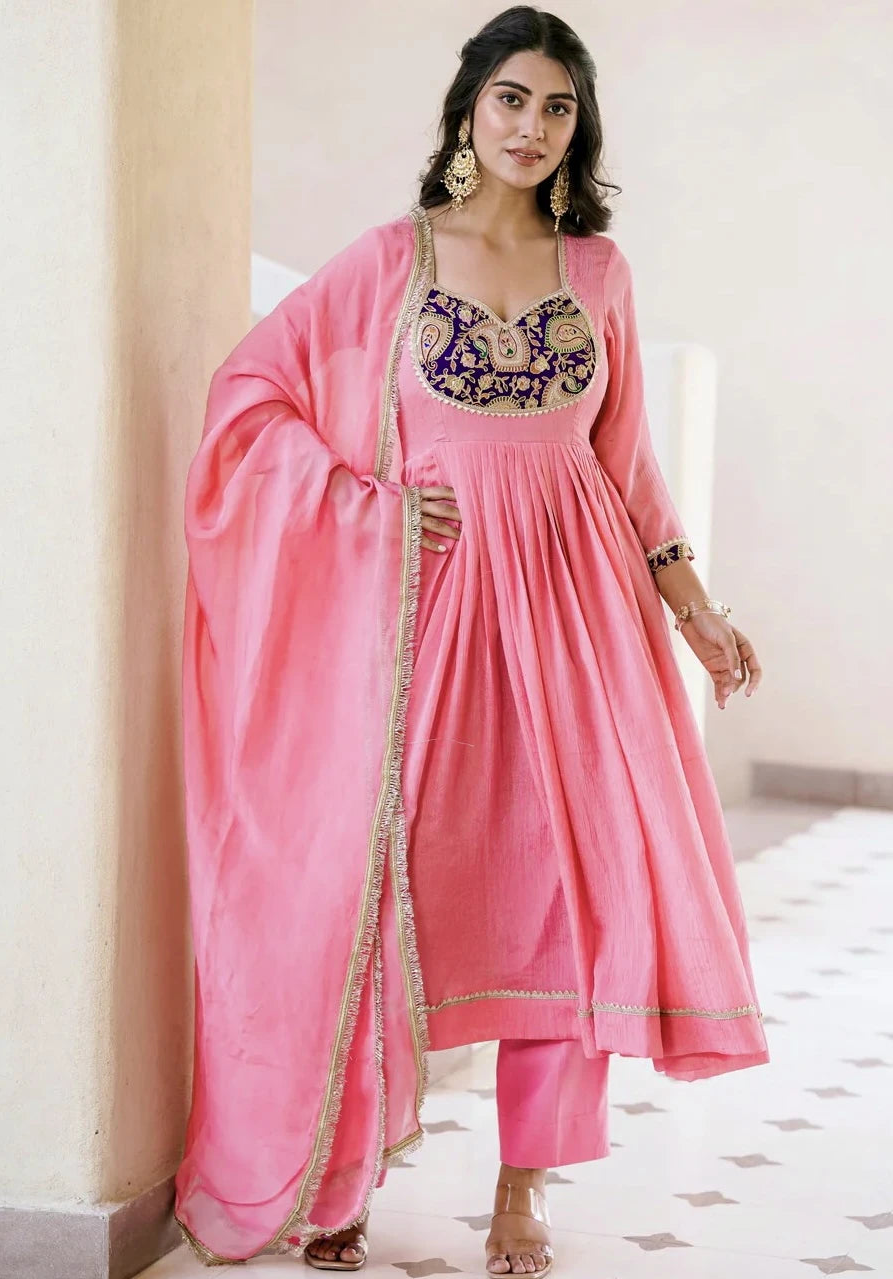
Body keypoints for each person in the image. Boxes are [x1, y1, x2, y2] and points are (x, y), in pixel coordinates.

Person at [173, 7, 769, 1276]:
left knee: (572, 897)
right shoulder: (390, 263)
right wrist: (366, 507)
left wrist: (694, 610)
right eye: (510, 99)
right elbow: (251, 400)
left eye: (554, 107)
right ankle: (340, 1169)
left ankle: (522, 1187)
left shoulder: (595, 272)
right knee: (376, 883)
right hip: (422, 615)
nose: (528, 126)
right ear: (466, 109)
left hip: (579, 620)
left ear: (575, 128)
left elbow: (629, 468)